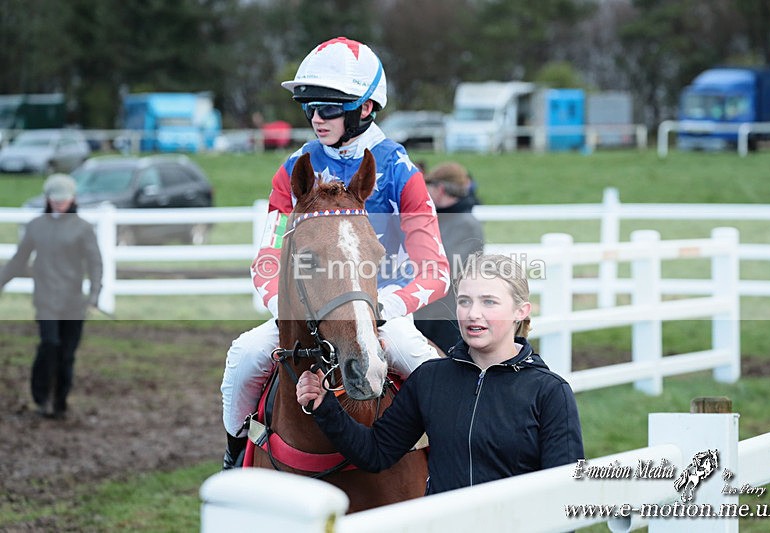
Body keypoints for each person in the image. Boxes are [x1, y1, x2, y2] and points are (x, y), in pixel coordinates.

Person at [220, 36, 450, 468]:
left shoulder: (402, 173)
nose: (316, 119)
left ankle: (450, 469)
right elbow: (268, 259)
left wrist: (384, 307)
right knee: (244, 356)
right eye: (309, 108)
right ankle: (235, 458)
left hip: (382, 311)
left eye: (329, 108)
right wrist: (284, 307)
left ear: (366, 108)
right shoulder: (292, 171)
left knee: (425, 367)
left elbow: (436, 270)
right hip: (307, 310)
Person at [296, 253, 584, 495]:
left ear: (521, 311)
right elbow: (376, 452)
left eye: (489, 302)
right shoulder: (430, 379)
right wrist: (325, 407)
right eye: (465, 301)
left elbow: (564, 493)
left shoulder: (549, 392)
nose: (473, 314)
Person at [0, 173, 103, 419]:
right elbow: (19, 260)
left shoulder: (83, 228)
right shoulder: (36, 227)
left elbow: (94, 263)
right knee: (49, 345)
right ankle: (41, 397)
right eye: (55, 199)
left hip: (73, 303)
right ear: (47, 199)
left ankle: (60, 401)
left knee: (67, 354)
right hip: (46, 300)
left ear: (73, 199)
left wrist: (95, 293)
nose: (59, 204)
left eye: (63, 199)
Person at [414, 161, 484, 352]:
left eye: (428, 187)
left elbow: (449, 268)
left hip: (445, 318)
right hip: (427, 311)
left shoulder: (467, 224)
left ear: (441, 189)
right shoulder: (438, 219)